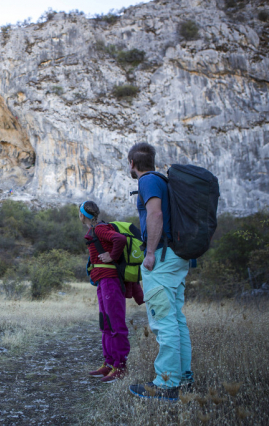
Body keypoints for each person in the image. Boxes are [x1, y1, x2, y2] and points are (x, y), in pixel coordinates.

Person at [126, 143, 193, 401]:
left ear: (132, 163)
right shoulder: (162, 180)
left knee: (163, 322)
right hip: (176, 256)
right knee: (175, 320)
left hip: (162, 257)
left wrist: (150, 252)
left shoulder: (148, 182)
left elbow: (155, 215)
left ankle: (166, 384)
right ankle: (183, 377)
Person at [79, 201, 130, 383]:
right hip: (103, 281)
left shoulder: (99, 229)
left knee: (115, 323)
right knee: (105, 323)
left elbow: (120, 240)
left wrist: (112, 256)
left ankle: (121, 366)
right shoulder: (94, 231)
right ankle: (109, 364)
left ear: (82, 214)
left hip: (111, 281)